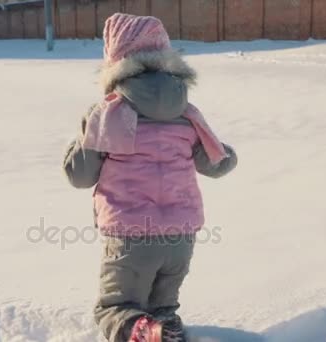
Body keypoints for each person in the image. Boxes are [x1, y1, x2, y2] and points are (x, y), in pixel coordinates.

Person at [62, 13, 237, 342]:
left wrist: (81, 136)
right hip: (181, 239)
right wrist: (230, 152)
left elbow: (80, 176)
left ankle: (141, 332)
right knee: (162, 309)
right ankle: (162, 328)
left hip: (131, 236)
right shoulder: (186, 113)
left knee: (116, 308)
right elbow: (217, 163)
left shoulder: (108, 113)